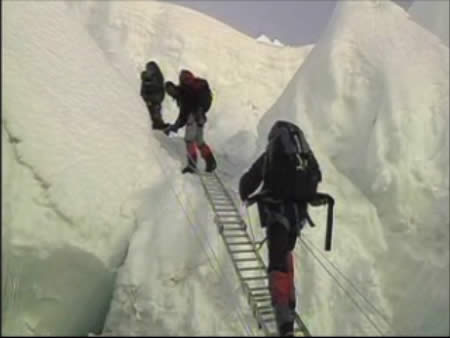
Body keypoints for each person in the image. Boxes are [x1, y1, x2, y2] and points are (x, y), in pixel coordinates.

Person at [238, 120, 322, 337]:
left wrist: (244, 193)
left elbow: (249, 181)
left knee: (277, 263)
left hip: (278, 214)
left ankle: (284, 319)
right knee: (286, 254)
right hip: (298, 217)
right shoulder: (302, 154)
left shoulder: (271, 155)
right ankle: (289, 303)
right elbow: (316, 175)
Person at [164, 69, 217, 174]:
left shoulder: (183, 92)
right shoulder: (193, 88)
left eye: (170, 92)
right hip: (200, 117)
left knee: (189, 140)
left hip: (193, 118)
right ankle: (211, 162)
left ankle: (192, 166)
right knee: (199, 141)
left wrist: (174, 127)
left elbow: (184, 114)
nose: (171, 94)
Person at [140, 61, 169, 130]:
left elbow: (160, 91)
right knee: (154, 113)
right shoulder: (147, 78)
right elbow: (143, 91)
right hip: (151, 101)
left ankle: (158, 125)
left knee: (156, 113)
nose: (150, 70)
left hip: (154, 101)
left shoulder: (158, 78)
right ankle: (158, 125)